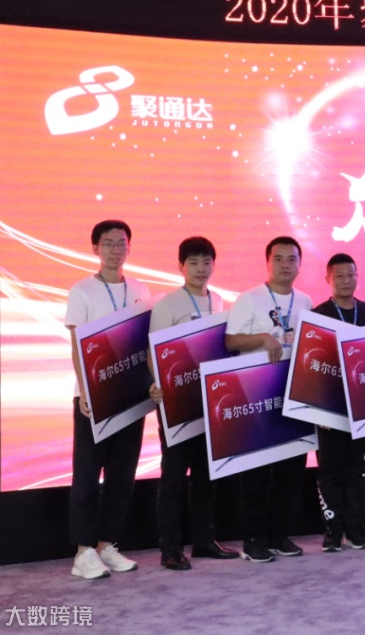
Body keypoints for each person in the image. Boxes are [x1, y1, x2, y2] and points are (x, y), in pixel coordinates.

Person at [65, 220, 152, 579]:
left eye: (122, 243)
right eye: (108, 243)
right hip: (93, 396)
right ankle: (83, 552)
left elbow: (145, 344)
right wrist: (86, 390)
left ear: (129, 247)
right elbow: (77, 345)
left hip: (131, 396)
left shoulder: (140, 289)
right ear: (95, 248)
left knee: (122, 475)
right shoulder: (82, 290)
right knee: (88, 474)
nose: (116, 250)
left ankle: (106, 545)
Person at [148, 236, 239, 570]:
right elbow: (153, 353)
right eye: (194, 262)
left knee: (206, 474)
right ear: (181, 266)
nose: (201, 269)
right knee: (174, 475)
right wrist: (158, 384)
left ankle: (203, 540)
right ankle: (170, 548)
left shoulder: (220, 301)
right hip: (176, 401)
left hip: (210, 399)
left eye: (206, 262)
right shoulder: (167, 305)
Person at [224, 236, 313, 562]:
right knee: (257, 471)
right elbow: (231, 341)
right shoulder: (249, 299)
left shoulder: (305, 301)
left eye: (292, 259)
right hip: (256, 392)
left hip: (293, 392)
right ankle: (253, 539)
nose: (285, 264)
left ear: (300, 264)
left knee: (292, 468)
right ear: (267, 262)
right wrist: (263, 338)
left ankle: (279, 535)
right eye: (278, 258)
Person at [313, 253, 365, 552]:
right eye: (339, 275)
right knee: (330, 471)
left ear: (357, 277)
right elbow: (310, 366)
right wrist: (317, 409)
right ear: (328, 279)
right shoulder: (317, 316)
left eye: (350, 275)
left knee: (359, 469)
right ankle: (333, 530)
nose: (345, 280)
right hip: (330, 408)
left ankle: (355, 528)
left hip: (364, 407)